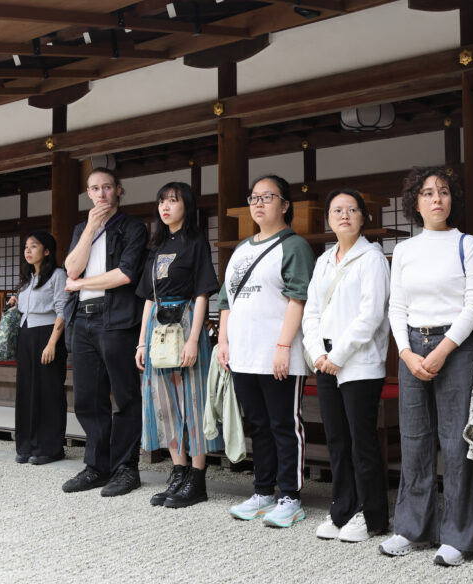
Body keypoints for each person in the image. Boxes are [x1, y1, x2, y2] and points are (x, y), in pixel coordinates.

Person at [380, 167, 473, 567]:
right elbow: (396, 306)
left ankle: (459, 536)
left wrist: (442, 349)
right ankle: (412, 528)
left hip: (456, 346)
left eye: (443, 192)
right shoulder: (406, 250)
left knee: (457, 442)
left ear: (452, 199)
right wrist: (406, 354)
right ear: (415, 203)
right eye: (427, 193)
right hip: (412, 346)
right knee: (414, 439)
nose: (436, 199)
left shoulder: (467, 244)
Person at [217, 175, 315, 528]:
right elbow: (226, 299)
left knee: (284, 425)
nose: (258, 204)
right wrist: (223, 342)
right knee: (258, 425)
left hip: (278, 354)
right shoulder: (241, 249)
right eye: (254, 198)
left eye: (268, 197)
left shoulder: (295, 246)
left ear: (285, 205)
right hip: (242, 354)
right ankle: (263, 491)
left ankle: (291, 496)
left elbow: (298, 298)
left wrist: (284, 347)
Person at [302, 188, 391, 542]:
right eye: (337, 210)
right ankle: (341, 508)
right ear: (328, 218)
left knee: (362, 441)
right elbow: (311, 312)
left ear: (363, 217)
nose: (344, 215)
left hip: (359, 364)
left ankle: (371, 517)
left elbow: (370, 316)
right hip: (325, 362)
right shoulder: (323, 260)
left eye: (351, 209)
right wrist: (317, 354)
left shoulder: (373, 259)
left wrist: (337, 355)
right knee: (336, 439)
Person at [62, 167, 147, 496]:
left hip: (117, 320)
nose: (101, 194)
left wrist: (79, 284)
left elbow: (125, 274)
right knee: (87, 397)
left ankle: (126, 468)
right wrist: (90, 230)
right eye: (95, 189)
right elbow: (71, 267)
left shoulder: (133, 227)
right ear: (88, 193)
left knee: (125, 396)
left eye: (107, 187)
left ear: (119, 191)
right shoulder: (83, 228)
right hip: (83, 319)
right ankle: (96, 466)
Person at [135, 182, 221, 508]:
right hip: (157, 326)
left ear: (187, 204)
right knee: (164, 401)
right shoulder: (155, 246)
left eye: (173, 200)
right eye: (161, 201)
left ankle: (198, 478)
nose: (165, 207)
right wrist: (140, 343)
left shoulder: (196, 242)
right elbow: (147, 298)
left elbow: (202, 293)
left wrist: (195, 338)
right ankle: (178, 471)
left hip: (186, 320)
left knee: (192, 400)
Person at [11, 231, 69, 465]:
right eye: (26, 246)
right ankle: (26, 445)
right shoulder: (27, 279)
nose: (27, 250)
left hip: (47, 335)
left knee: (48, 391)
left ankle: (50, 448)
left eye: (33, 246)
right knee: (26, 390)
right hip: (26, 335)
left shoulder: (57, 275)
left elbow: (62, 310)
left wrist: (52, 343)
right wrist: (16, 300)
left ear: (46, 251)